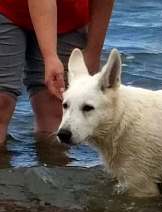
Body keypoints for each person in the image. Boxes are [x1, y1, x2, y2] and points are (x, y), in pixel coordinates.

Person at [0, 0, 115, 145]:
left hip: (66, 17)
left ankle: (52, 164)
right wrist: (50, 56)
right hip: (5, 8)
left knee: (56, 102)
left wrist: (93, 51)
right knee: (1, 101)